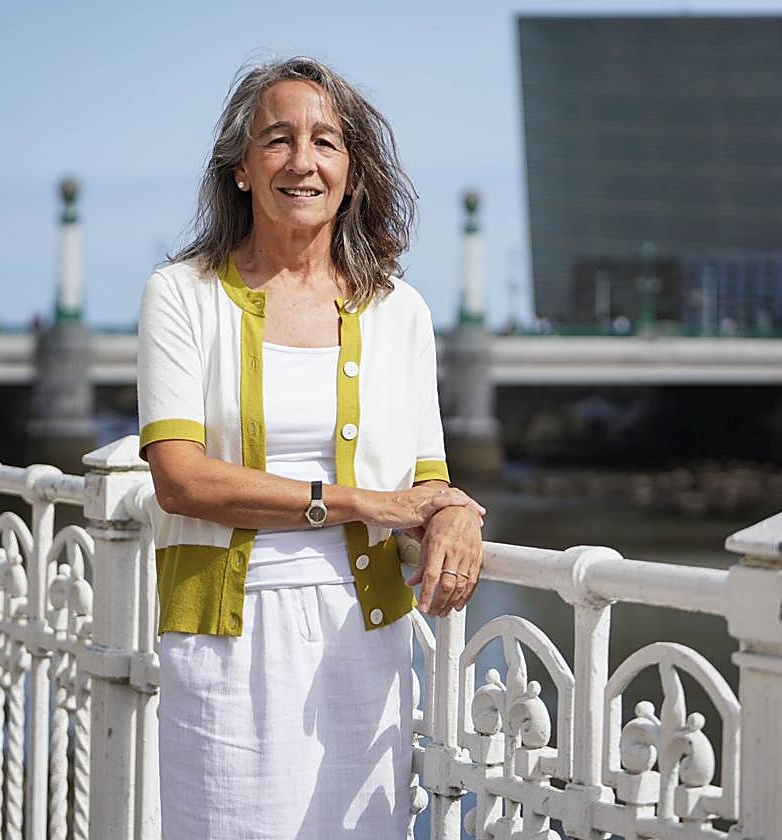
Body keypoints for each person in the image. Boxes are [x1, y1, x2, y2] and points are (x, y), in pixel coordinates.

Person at [137, 56, 485, 839]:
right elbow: (179, 480)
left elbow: (428, 481)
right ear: (240, 170)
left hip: (362, 642)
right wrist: (357, 503)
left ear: (352, 172)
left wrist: (459, 514)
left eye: (327, 142)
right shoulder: (181, 295)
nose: (304, 161)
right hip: (224, 642)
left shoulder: (401, 312)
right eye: (279, 140)